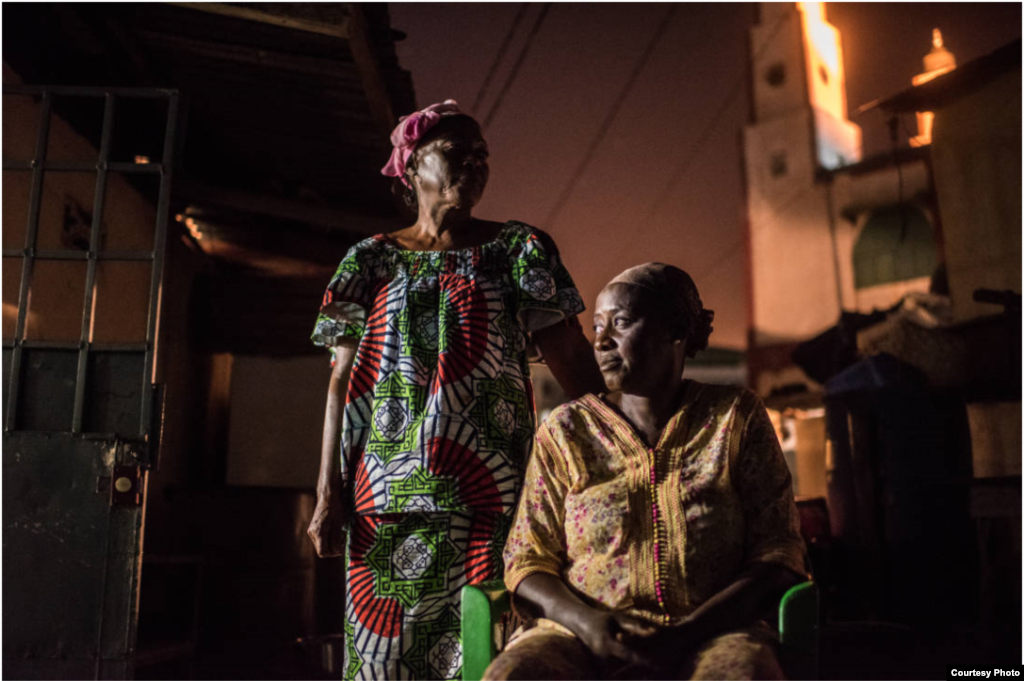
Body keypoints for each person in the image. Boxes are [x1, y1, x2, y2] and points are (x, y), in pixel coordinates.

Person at [307, 100, 606, 681]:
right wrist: (327, 492)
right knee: (382, 665)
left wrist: (614, 452)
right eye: (455, 152)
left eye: (481, 155)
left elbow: (572, 360)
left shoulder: (518, 251)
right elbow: (341, 381)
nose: (473, 164)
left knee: (486, 659)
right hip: (384, 502)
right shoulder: (367, 262)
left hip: (493, 496)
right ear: (411, 165)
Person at [487, 263, 809, 681]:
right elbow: (527, 559)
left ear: (675, 331)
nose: (600, 340)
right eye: (597, 325)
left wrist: (687, 633)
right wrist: (588, 624)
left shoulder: (735, 417)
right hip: (577, 636)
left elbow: (779, 551)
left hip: (713, 635)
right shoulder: (567, 430)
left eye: (620, 323)